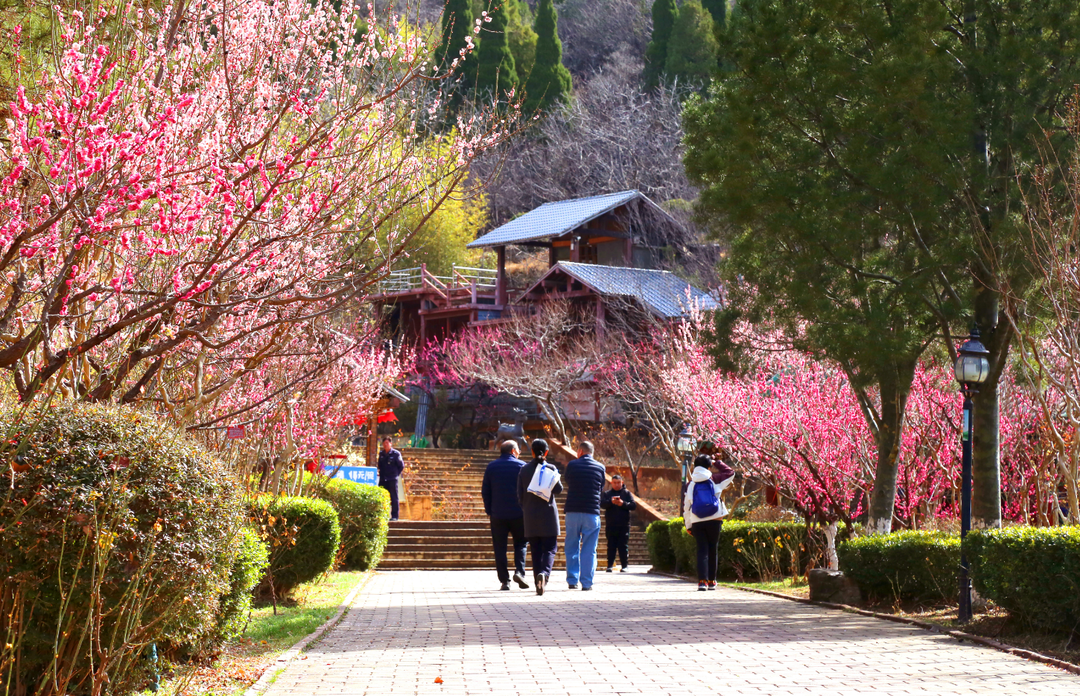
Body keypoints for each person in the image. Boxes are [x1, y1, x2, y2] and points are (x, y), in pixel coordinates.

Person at [517, 438, 563, 596]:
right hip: (548, 515)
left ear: (531, 452)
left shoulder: (524, 469)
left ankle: (538, 582)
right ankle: (544, 574)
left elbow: (519, 495)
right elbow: (558, 489)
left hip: (530, 516)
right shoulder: (550, 468)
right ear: (547, 452)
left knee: (535, 550)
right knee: (550, 548)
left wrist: (526, 508)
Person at [683, 454, 734, 591]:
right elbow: (730, 473)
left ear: (694, 467)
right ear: (709, 466)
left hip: (697, 520)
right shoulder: (715, 479)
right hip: (715, 519)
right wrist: (717, 462)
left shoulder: (690, 484)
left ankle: (702, 582)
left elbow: (686, 507)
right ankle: (712, 581)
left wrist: (688, 525)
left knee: (702, 550)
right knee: (713, 549)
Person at [563, 440, 605, 591]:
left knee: (571, 546)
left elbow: (568, 481)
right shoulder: (600, 467)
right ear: (592, 452)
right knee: (589, 549)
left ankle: (572, 580)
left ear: (580, 451)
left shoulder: (572, 465)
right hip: (591, 512)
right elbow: (600, 487)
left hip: (573, 511)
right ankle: (587, 583)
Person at [600, 474, 637, 573]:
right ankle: (610, 566)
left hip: (624, 524)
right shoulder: (607, 494)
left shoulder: (627, 493)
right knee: (611, 545)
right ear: (611, 483)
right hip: (611, 524)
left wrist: (623, 503)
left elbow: (633, 505)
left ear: (622, 483)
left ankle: (624, 566)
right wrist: (611, 502)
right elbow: (602, 504)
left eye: (618, 482)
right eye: (615, 483)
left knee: (623, 546)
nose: (616, 485)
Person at [376, 436, 404, 521]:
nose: (385, 445)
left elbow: (401, 466)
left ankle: (394, 516)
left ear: (391, 444)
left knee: (394, 497)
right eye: (384, 443)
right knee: (382, 497)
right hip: (383, 479)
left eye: (387, 443)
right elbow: (379, 465)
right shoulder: (381, 454)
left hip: (392, 479)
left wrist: (395, 475)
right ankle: (382, 515)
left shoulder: (396, 454)